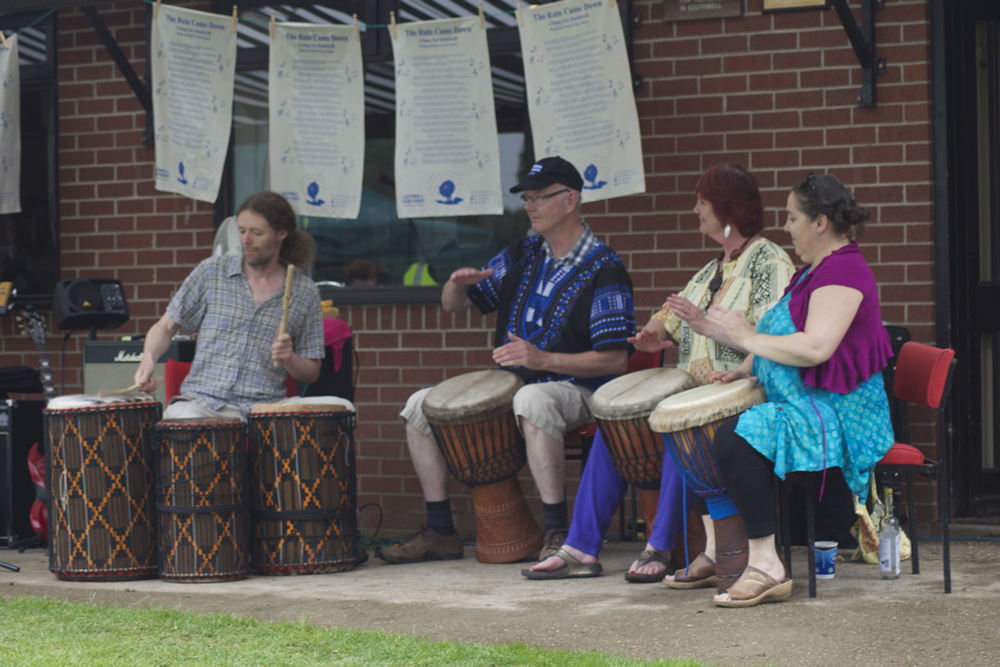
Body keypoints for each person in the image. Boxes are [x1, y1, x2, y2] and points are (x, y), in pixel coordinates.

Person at [525, 163, 795, 581]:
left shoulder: (769, 262)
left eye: (702, 202)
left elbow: (774, 336)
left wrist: (717, 339)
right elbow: (666, 319)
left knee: (676, 428)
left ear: (727, 207)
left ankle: (659, 546)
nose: (695, 210)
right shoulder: (708, 271)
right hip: (688, 398)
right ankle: (580, 548)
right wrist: (651, 335)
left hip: (740, 395)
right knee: (614, 427)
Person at [377, 156, 636, 564]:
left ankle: (556, 531)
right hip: (514, 388)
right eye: (527, 197)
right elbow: (455, 306)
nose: (529, 205)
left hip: (580, 391)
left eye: (538, 197)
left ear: (570, 200)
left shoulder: (605, 267)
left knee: (532, 401)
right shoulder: (524, 252)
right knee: (417, 407)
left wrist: (543, 358)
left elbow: (615, 361)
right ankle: (441, 530)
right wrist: (455, 286)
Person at [688, 173, 894, 607]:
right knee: (722, 432)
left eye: (793, 217)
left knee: (736, 438)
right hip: (806, 402)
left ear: (820, 223)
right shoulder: (812, 273)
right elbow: (778, 334)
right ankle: (732, 552)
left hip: (840, 413)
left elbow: (816, 347)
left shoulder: (845, 270)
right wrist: (745, 367)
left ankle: (766, 562)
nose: (786, 226)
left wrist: (745, 338)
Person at [134, 191, 324, 420]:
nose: (245, 240)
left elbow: (312, 371)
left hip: (265, 408)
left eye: (256, 233)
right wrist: (148, 358)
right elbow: (166, 326)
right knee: (181, 423)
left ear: (281, 233)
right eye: (242, 230)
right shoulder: (212, 271)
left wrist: (290, 358)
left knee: (339, 407)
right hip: (204, 402)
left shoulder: (304, 292)